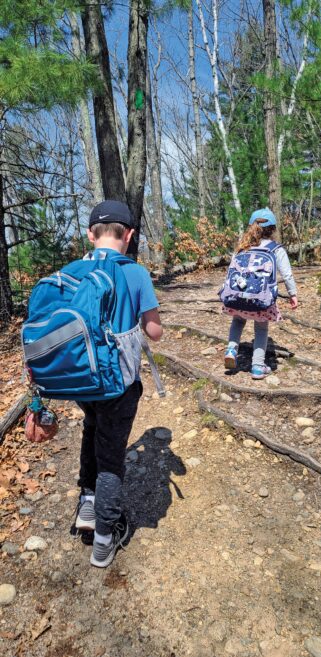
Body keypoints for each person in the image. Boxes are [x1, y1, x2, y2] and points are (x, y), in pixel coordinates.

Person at [74, 200, 163, 568]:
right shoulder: (136, 273)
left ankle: (88, 504)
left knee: (90, 429)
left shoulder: (74, 270)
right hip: (118, 382)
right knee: (111, 454)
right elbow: (154, 333)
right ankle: (104, 539)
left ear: (91, 234)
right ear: (128, 236)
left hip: (80, 379)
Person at [223, 208, 297, 379]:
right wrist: (293, 294)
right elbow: (287, 274)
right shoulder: (276, 248)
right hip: (261, 299)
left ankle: (231, 350)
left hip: (237, 296)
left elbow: (231, 270)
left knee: (237, 320)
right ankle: (257, 367)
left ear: (251, 227)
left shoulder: (243, 247)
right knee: (262, 328)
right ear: (272, 229)